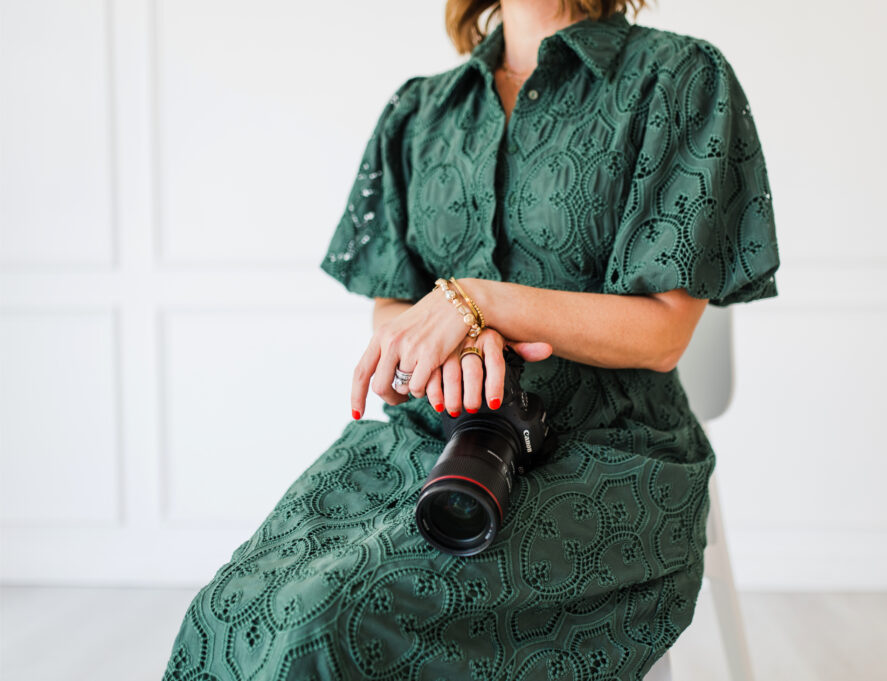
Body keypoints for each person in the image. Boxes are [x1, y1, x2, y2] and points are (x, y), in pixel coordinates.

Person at [162, 0, 780, 678]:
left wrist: (479, 300)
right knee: (227, 610)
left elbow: (664, 331)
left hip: (607, 452)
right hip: (426, 440)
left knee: (329, 623)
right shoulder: (421, 110)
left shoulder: (679, 78)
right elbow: (394, 301)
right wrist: (444, 339)